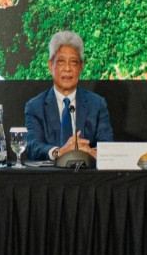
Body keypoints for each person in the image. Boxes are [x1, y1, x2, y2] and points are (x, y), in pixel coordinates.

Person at [24, 31, 113, 161]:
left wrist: (89, 152)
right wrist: (60, 152)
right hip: (50, 179)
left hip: (88, 178)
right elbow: (33, 147)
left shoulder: (97, 104)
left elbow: (108, 146)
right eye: (61, 62)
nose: (67, 68)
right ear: (50, 66)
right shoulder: (35, 107)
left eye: (73, 62)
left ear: (81, 67)